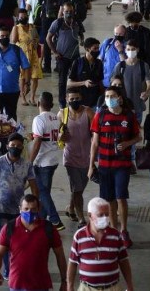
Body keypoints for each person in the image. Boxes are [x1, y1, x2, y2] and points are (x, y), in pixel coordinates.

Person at [88, 86, 141, 248]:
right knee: (109, 199)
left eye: (112, 96)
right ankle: (112, 230)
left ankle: (123, 230)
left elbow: (138, 136)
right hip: (104, 164)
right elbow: (95, 143)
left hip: (122, 165)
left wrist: (127, 143)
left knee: (121, 197)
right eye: (107, 96)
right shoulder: (101, 115)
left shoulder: (129, 116)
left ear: (119, 98)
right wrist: (91, 165)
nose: (109, 99)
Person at [0, 133, 39, 280]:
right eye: (12, 145)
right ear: (8, 146)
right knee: (6, 242)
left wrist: (35, 207)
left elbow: (34, 186)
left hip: (20, 212)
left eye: (18, 146)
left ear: (22, 148)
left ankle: (17, 268)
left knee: (20, 242)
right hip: (1, 210)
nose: (15, 148)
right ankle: (9, 271)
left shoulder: (27, 165)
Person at [0, 194, 67, 289]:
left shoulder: (48, 229)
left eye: (33, 209)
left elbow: (60, 255)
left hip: (40, 285)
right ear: (20, 209)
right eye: (26, 209)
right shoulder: (9, 228)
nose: (29, 212)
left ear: (39, 209)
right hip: (17, 285)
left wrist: (64, 280)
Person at [67, 197, 134, 291]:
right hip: (87, 288)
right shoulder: (79, 236)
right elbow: (72, 263)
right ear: (90, 215)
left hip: (113, 288)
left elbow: (124, 261)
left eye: (107, 214)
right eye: (100, 215)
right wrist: (69, 287)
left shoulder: (115, 235)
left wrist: (130, 285)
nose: (105, 218)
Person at [59, 88, 95, 227]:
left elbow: (94, 134)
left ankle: (71, 207)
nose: (74, 101)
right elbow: (57, 135)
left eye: (77, 98)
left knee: (79, 187)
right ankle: (81, 218)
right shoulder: (63, 114)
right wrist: (61, 137)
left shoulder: (88, 112)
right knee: (77, 188)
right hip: (70, 157)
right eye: (71, 99)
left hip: (86, 157)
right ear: (67, 99)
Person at [30, 92, 65, 230]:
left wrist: (30, 161)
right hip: (54, 159)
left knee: (42, 192)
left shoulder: (39, 119)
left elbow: (38, 142)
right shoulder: (56, 119)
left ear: (38, 103)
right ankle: (42, 219)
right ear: (51, 105)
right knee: (45, 191)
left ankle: (55, 220)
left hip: (42, 161)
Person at [0, 23, 31, 122]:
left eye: (6, 36)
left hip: (12, 91)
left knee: (11, 119)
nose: (4, 38)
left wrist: (27, 83)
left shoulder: (17, 50)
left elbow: (26, 67)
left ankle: (11, 137)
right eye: (2, 36)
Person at [46, 2, 85, 108]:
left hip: (75, 56)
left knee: (76, 79)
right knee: (62, 81)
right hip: (62, 57)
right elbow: (48, 38)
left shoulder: (77, 22)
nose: (69, 13)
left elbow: (81, 33)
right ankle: (62, 102)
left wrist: (81, 40)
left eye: (71, 11)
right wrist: (55, 52)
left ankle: (76, 99)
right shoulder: (57, 23)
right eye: (66, 11)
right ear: (62, 12)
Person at [112, 39, 150, 123]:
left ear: (137, 50)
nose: (131, 51)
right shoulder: (120, 66)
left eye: (133, 49)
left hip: (138, 106)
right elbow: (112, 84)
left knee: (136, 129)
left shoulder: (143, 66)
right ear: (125, 50)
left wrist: (147, 92)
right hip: (122, 107)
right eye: (128, 49)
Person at [10, 8, 42, 106]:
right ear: (18, 18)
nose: (23, 18)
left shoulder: (32, 27)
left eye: (25, 16)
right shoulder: (16, 28)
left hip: (33, 54)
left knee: (35, 76)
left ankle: (32, 98)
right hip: (22, 55)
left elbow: (37, 38)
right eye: (21, 17)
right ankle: (23, 97)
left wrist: (35, 41)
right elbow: (13, 42)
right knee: (22, 77)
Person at [68, 38, 105, 108]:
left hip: (95, 102)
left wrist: (104, 97)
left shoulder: (99, 63)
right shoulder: (78, 63)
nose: (98, 51)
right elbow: (69, 83)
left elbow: (100, 82)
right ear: (87, 49)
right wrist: (84, 83)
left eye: (98, 48)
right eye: (95, 48)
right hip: (81, 102)